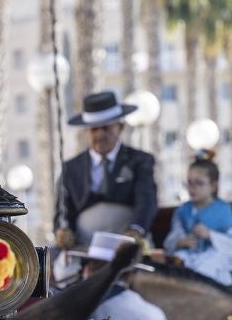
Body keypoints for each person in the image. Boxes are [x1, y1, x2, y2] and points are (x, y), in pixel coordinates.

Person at [56, 91, 158, 247]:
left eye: (106, 128)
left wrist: (136, 230)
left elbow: (146, 201)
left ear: (120, 127)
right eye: (94, 129)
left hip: (128, 242)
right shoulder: (71, 168)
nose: (100, 135)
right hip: (83, 246)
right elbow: (62, 212)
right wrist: (63, 232)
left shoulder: (140, 161)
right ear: (86, 131)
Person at [162, 157, 232, 284]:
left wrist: (211, 235)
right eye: (189, 183)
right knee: (179, 262)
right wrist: (181, 242)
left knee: (209, 266)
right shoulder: (182, 211)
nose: (192, 188)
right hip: (189, 255)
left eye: (199, 183)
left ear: (213, 186)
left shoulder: (223, 209)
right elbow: (172, 239)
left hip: (214, 256)